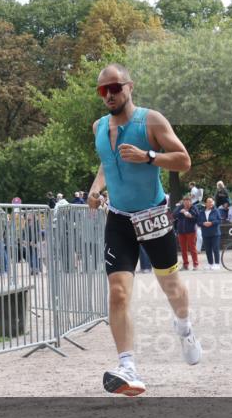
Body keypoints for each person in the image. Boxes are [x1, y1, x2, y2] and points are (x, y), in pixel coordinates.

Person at [87, 63, 200, 396]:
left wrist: (148, 156)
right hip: (119, 218)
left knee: (171, 287)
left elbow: (183, 159)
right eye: (102, 90)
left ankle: (184, 327)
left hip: (152, 215)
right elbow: (106, 164)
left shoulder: (151, 120)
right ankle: (128, 368)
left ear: (130, 86)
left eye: (115, 87)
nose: (108, 94)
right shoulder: (98, 127)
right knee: (118, 292)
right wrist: (96, 189)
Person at [173, 195, 199, 271]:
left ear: (190, 202)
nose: (186, 203)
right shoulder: (180, 207)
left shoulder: (194, 208)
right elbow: (174, 215)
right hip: (181, 231)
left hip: (191, 231)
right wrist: (180, 212)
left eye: (188, 201)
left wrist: (189, 215)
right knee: (183, 249)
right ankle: (185, 265)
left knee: (192, 248)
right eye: (185, 201)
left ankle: (195, 264)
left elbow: (196, 218)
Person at [198, 197, 222, 271]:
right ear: (205, 203)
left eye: (212, 202)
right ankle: (210, 263)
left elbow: (219, 220)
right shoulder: (201, 212)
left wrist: (211, 223)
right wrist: (203, 223)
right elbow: (198, 222)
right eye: (209, 202)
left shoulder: (216, 211)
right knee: (208, 249)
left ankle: (217, 264)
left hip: (215, 233)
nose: (211, 203)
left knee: (215, 248)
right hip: (205, 233)